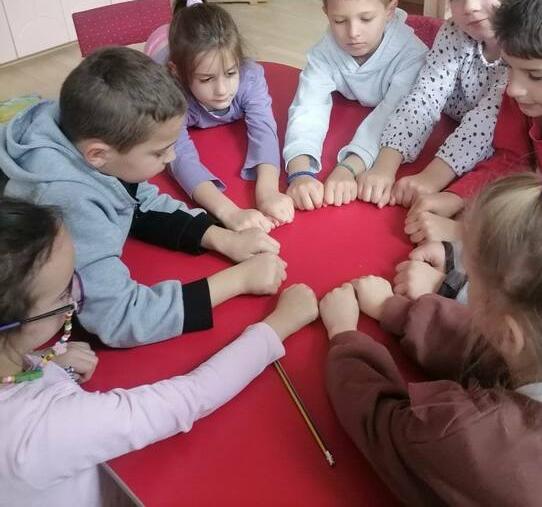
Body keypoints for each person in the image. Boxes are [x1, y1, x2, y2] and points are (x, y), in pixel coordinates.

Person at [0, 196, 318, 507]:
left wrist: (43, 361)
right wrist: (277, 326)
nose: (75, 296)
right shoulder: (43, 433)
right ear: (17, 323)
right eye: (63, 293)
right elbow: (191, 397)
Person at [320, 173, 542, 506]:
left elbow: (385, 427)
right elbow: (492, 349)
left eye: (470, 275)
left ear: (509, 334)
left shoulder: (466, 434)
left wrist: (344, 336)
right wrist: (397, 310)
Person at [0, 47, 286, 347]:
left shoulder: (83, 132)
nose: (172, 157)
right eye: (159, 152)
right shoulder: (66, 199)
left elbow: (133, 197)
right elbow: (120, 317)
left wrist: (222, 238)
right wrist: (238, 280)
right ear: (98, 154)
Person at [403, 0, 542, 287]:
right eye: (509, 67)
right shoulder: (526, 97)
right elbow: (509, 161)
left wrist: (466, 232)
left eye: (535, 75)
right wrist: (456, 197)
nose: (513, 89)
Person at [357, 0, 531, 208]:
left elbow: (487, 121)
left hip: (488, 141)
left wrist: (431, 178)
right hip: (450, 120)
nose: (470, 6)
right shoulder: (454, 32)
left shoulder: (526, 50)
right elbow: (425, 96)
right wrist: (385, 164)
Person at [283, 0, 428, 210]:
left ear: (389, 11)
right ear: (326, 13)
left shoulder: (412, 55)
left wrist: (349, 166)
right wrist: (299, 171)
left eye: (366, 19)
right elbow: (307, 107)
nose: (353, 33)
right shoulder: (324, 53)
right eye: (339, 21)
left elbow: (392, 113)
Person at [146, 0, 293, 230]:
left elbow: (264, 129)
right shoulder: (170, 94)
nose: (222, 90)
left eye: (231, 73)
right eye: (206, 79)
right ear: (178, 72)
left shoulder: (250, 76)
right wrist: (229, 212)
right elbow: (179, 157)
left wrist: (268, 192)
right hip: (159, 42)